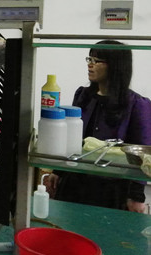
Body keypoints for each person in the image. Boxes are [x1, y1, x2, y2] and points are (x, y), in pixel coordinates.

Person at [45, 40, 151, 212]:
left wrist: (136, 195)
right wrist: (58, 171)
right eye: (89, 59)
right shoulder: (83, 95)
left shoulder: (137, 104)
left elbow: (142, 153)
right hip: (75, 183)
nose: (90, 65)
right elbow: (72, 138)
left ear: (116, 66)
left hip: (112, 189)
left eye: (97, 61)